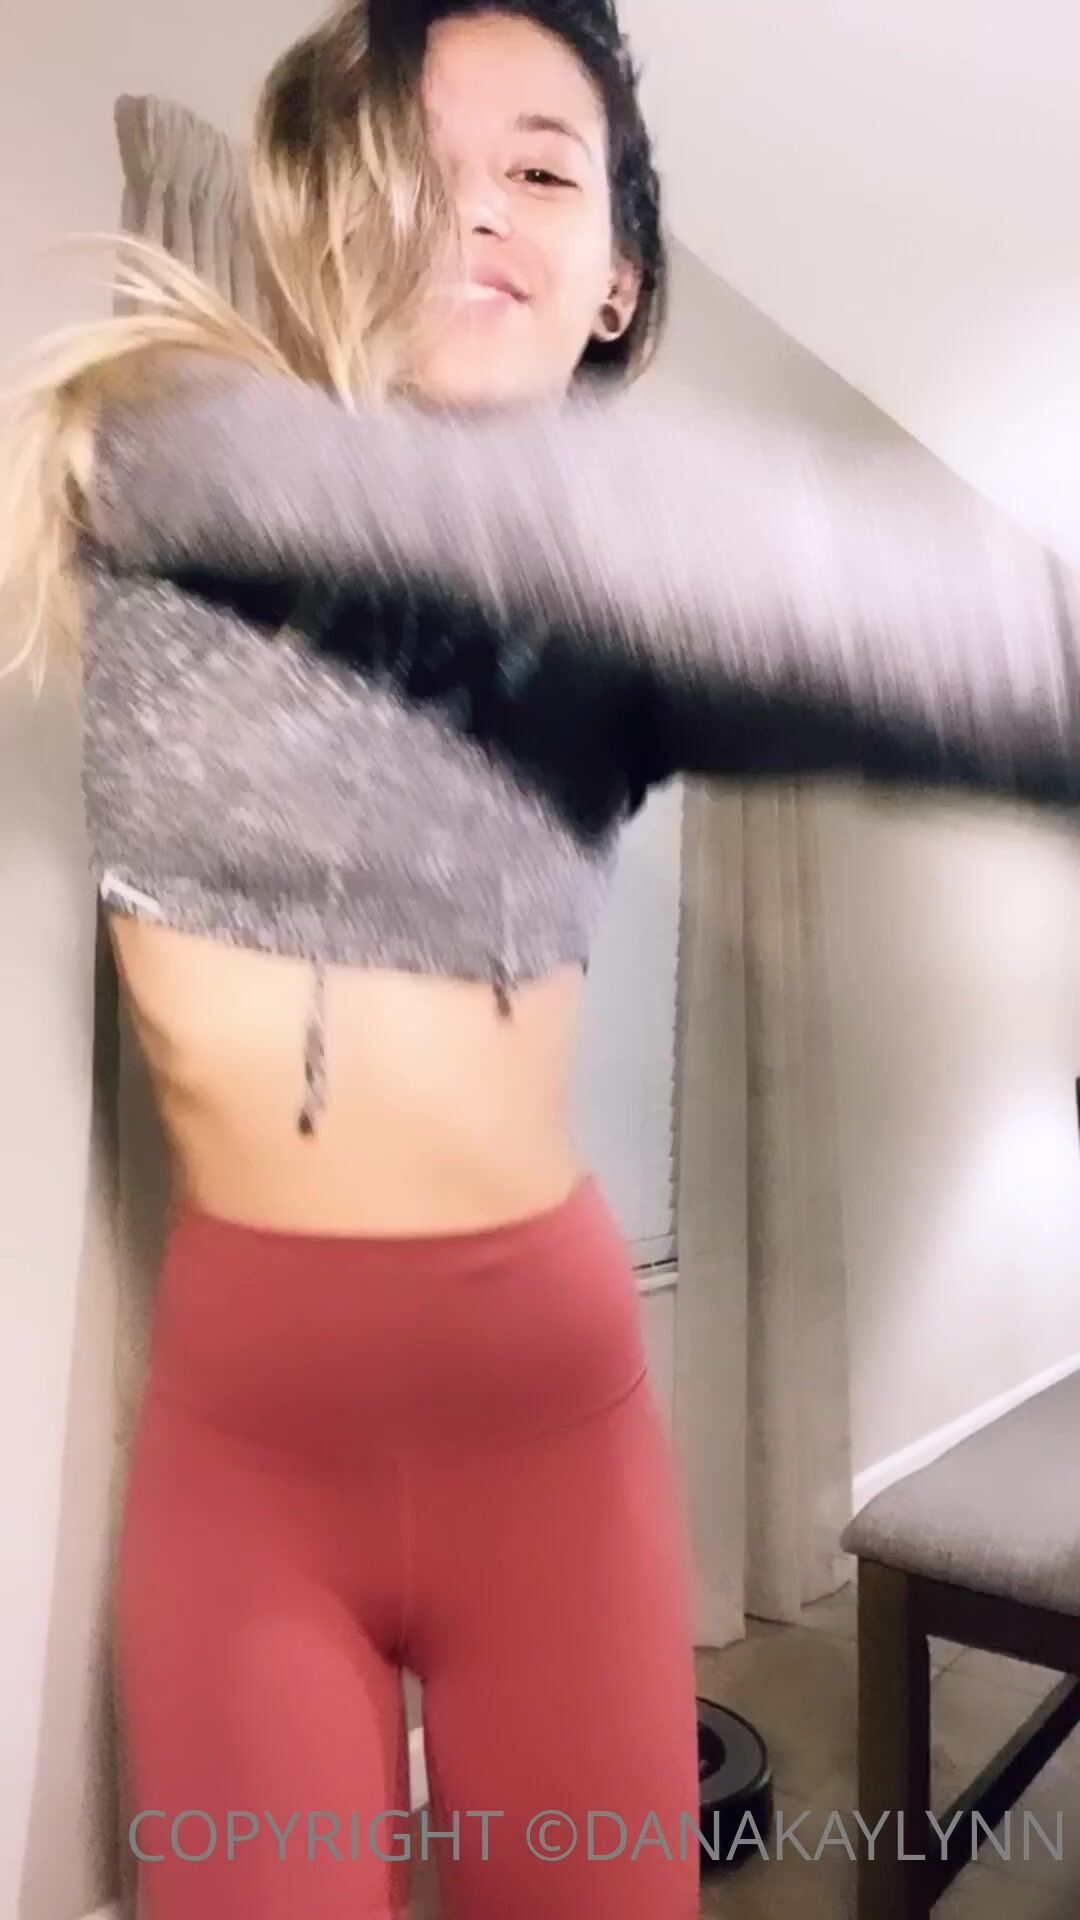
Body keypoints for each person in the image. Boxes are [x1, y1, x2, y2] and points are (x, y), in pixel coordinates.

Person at [5, 3, 1080, 1919]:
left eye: (539, 169)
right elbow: (561, 525)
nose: (476, 208)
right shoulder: (184, 451)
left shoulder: (621, 600)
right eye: (423, 166)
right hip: (251, 1455)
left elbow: (892, 636)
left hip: (545, 1430)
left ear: (618, 280)